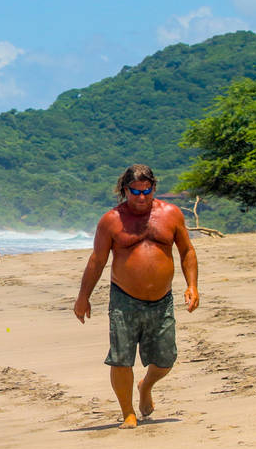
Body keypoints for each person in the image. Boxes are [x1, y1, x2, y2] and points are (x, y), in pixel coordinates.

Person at [73, 164, 199, 429]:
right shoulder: (111, 220)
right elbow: (97, 260)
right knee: (121, 358)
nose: (141, 197)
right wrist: (83, 297)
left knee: (165, 359)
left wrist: (192, 285)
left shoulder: (171, 214)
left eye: (147, 191)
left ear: (154, 187)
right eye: (135, 191)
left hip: (162, 299)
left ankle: (146, 386)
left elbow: (187, 250)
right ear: (124, 190)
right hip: (124, 299)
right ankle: (127, 412)